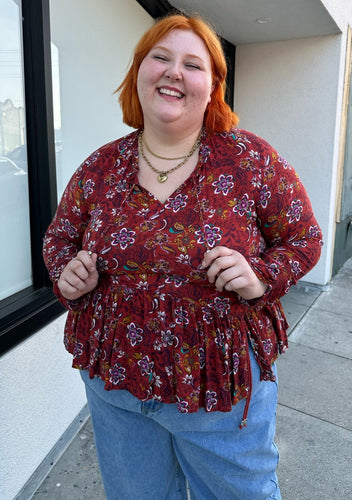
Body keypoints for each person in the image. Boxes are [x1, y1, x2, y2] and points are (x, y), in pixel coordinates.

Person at [43, 13, 322, 500]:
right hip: (117, 384)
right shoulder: (101, 167)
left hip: (220, 387)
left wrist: (259, 276)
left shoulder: (249, 160)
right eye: (160, 57)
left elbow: (304, 237)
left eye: (193, 65)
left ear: (213, 88)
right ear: (139, 73)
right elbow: (59, 240)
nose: (174, 71)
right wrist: (68, 275)